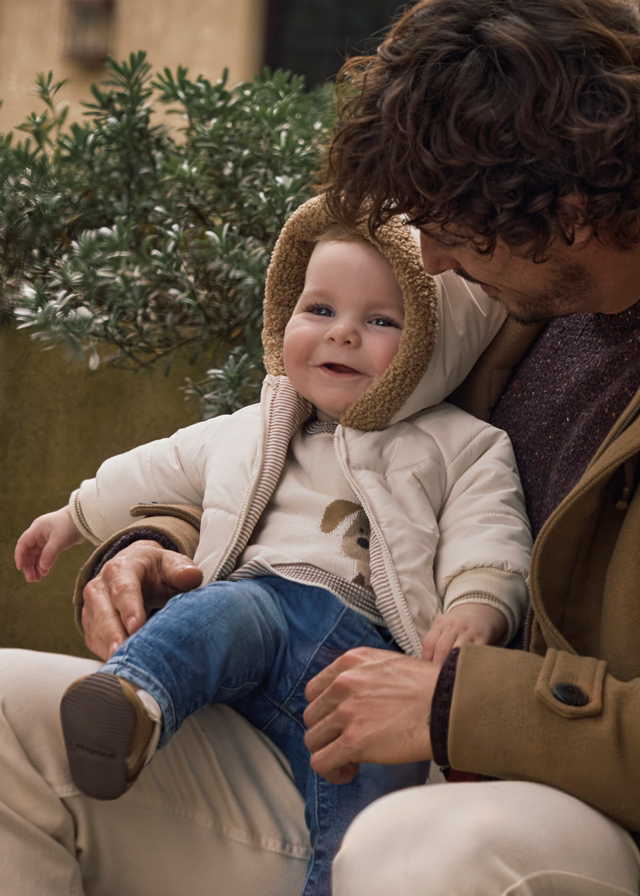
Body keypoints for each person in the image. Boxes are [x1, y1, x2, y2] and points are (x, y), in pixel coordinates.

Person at [14, 196, 531, 896]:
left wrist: (477, 606)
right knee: (210, 618)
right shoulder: (255, 424)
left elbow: (489, 532)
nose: (342, 333)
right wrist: (75, 515)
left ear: (437, 349)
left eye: (381, 321)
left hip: (365, 659)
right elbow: (158, 466)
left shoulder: (461, 443)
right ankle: (134, 704)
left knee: (373, 802)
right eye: (319, 309)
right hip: (262, 602)